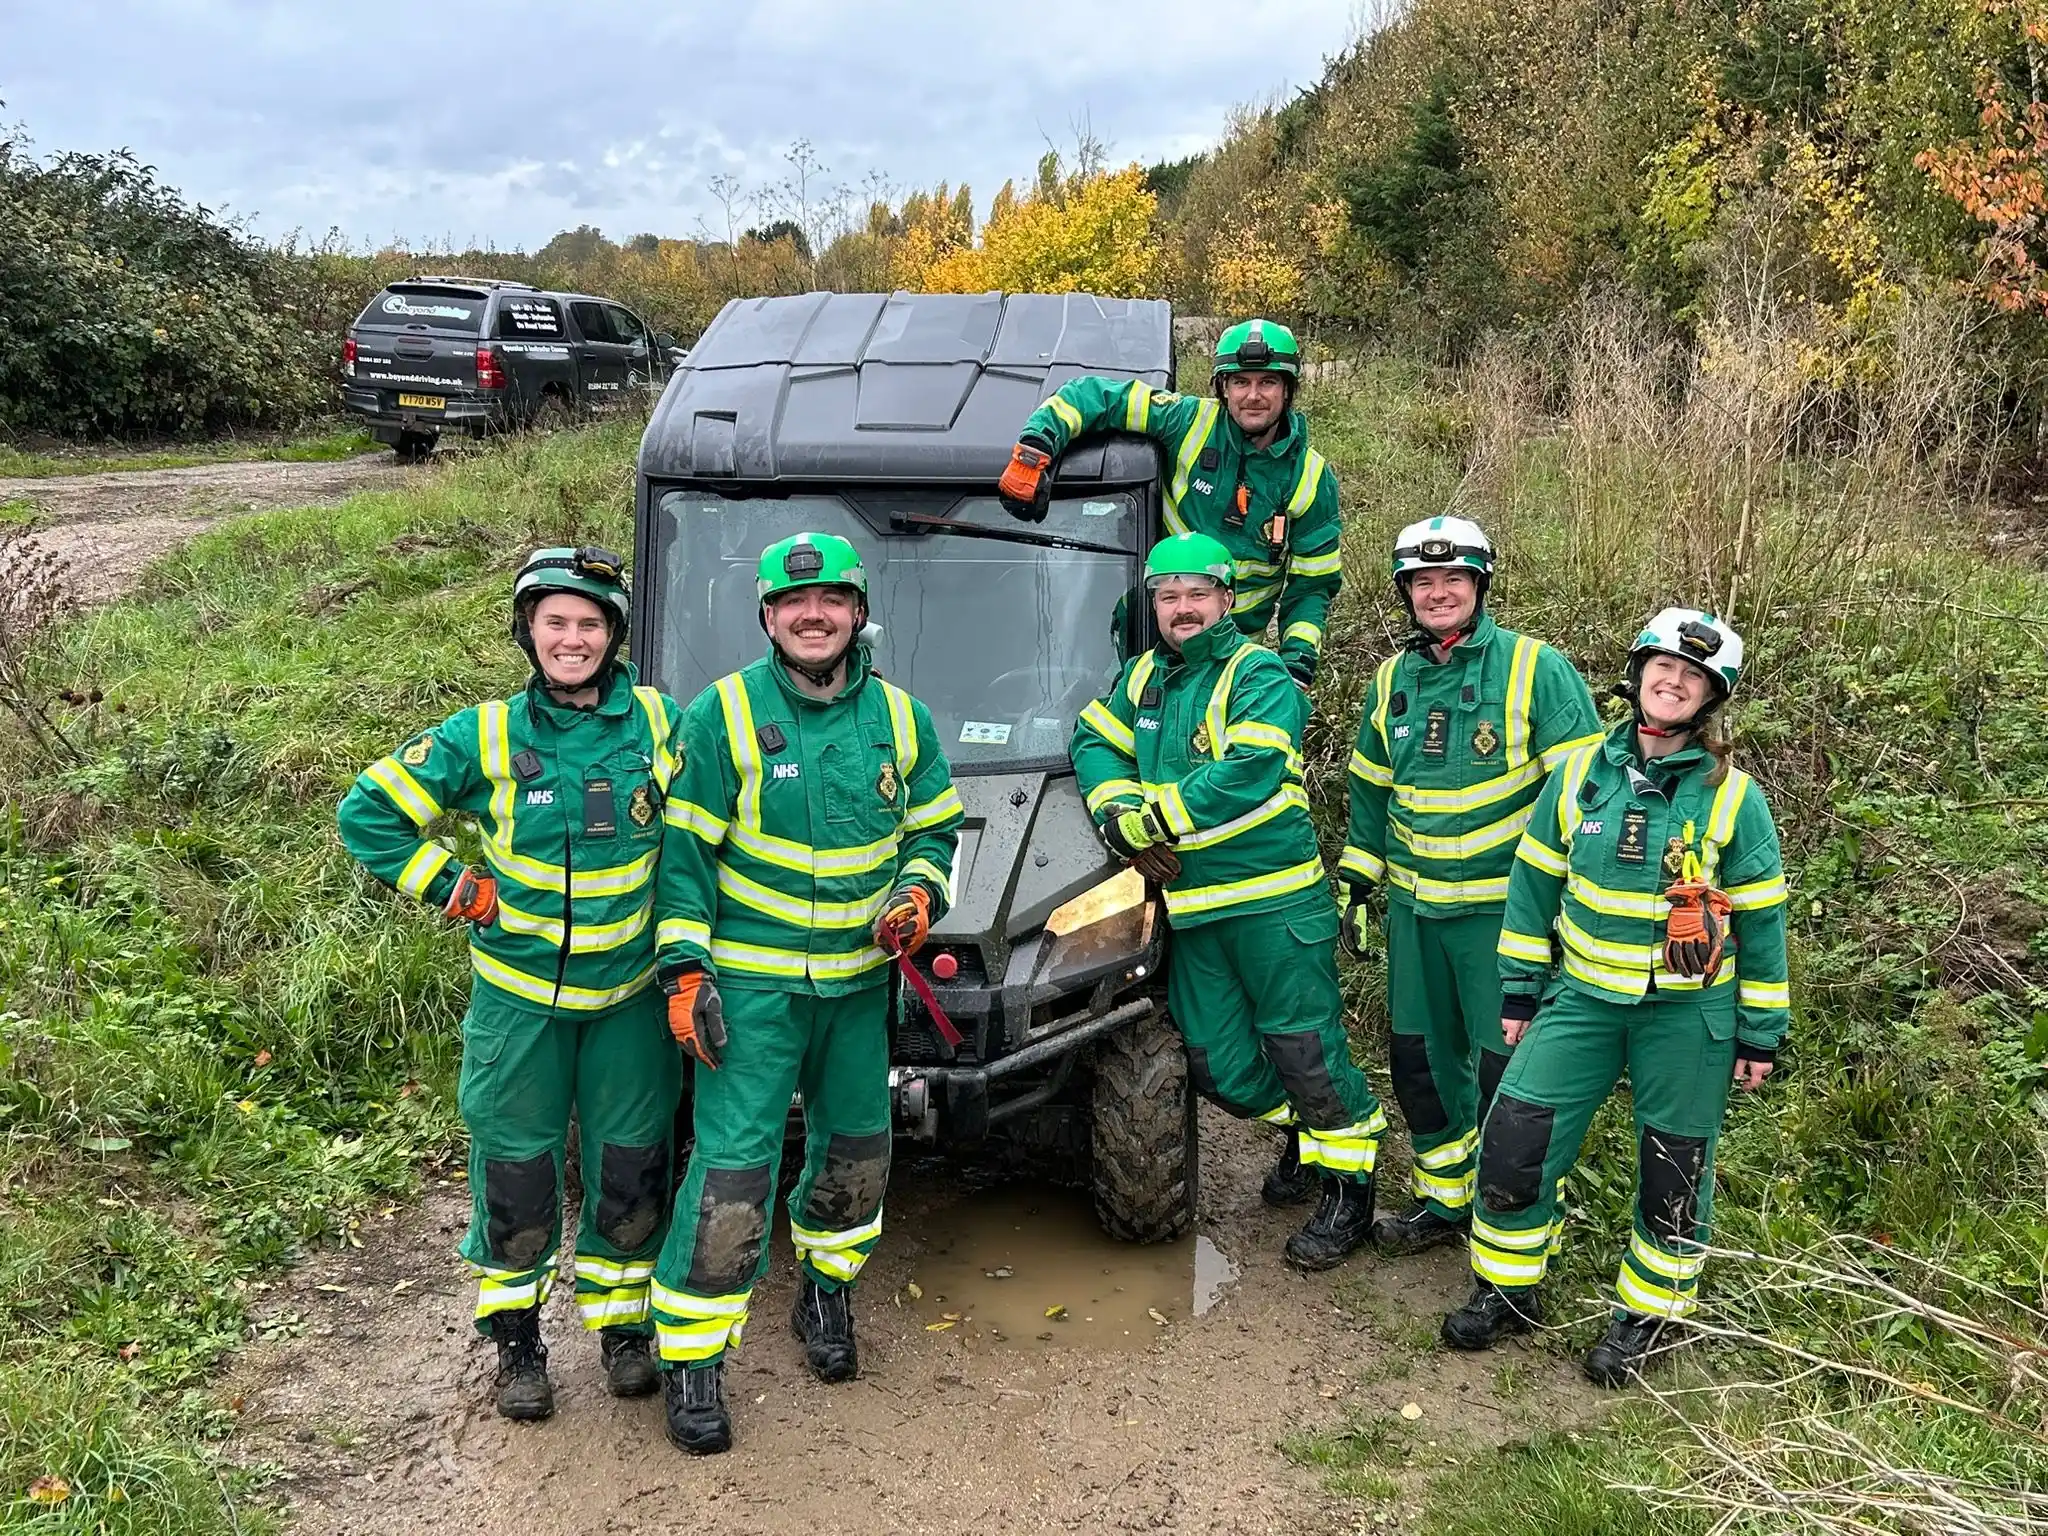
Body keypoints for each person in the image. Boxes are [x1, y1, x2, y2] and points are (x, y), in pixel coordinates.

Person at [336, 546, 685, 1421]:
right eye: (556, 622)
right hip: (520, 1005)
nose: (573, 639)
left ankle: (624, 1328)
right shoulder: (485, 734)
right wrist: (452, 883)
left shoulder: (660, 723)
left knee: (632, 1171)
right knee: (519, 1172)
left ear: (615, 636)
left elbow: (705, 831)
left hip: (628, 1005)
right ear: (528, 632)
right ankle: (518, 1338)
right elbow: (368, 812)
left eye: (590, 623)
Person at [649, 532, 964, 1456]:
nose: (812, 614)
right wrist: (688, 972)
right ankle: (696, 1358)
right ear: (768, 618)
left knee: (859, 1152)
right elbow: (686, 858)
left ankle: (826, 1299)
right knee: (734, 1171)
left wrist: (916, 894)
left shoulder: (903, 719)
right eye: (793, 604)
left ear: (859, 612)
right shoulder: (723, 714)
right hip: (753, 990)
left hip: (860, 988)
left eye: (830, 599)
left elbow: (936, 833)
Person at [1439, 609, 1791, 1386]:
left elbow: (1763, 924)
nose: (1673, 681)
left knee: (1675, 1172)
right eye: (1661, 667)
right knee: (1513, 1145)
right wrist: (1522, 991)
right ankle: (1510, 1290)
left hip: (1688, 1015)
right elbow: (1532, 889)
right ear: (1636, 677)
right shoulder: (1576, 775)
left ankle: (1648, 1318)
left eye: (1692, 676)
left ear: (1710, 698)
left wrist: (1760, 1032)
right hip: (1583, 1001)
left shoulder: (1735, 799)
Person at [1070, 532, 1387, 1270]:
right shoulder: (1146, 676)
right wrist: (1119, 817)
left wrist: (1150, 821)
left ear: (1227, 600)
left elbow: (1246, 772)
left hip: (1274, 904)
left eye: (1196, 595)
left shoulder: (1260, 673)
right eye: (1169, 596)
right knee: (1213, 1061)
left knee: (1303, 1047)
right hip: (1196, 908)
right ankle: (1312, 1135)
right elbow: (1094, 741)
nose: (1182, 609)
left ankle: (1350, 1190)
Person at [1338, 517, 1601, 1257]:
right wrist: (1361, 881)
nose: (1439, 593)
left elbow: (1587, 792)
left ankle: (1509, 1212)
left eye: (1454, 579)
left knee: (1506, 1077)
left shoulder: (1535, 668)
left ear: (1481, 585)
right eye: (1423, 582)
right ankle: (1443, 1201)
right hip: (1417, 914)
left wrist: (1570, 903)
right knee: (1419, 1063)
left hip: (1504, 917)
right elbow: (1370, 785)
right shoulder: (1393, 679)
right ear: (1406, 593)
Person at [998, 319, 1342, 689]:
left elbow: (1312, 586)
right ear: (1223, 387)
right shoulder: (1187, 422)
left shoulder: (1311, 477)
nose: (1253, 396)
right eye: (1240, 381)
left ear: (1288, 390)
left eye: (1267, 382)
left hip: (1234, 654)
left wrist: (1297, 664)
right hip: (1158, 634)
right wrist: (1035, 449)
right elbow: (1092, 396)